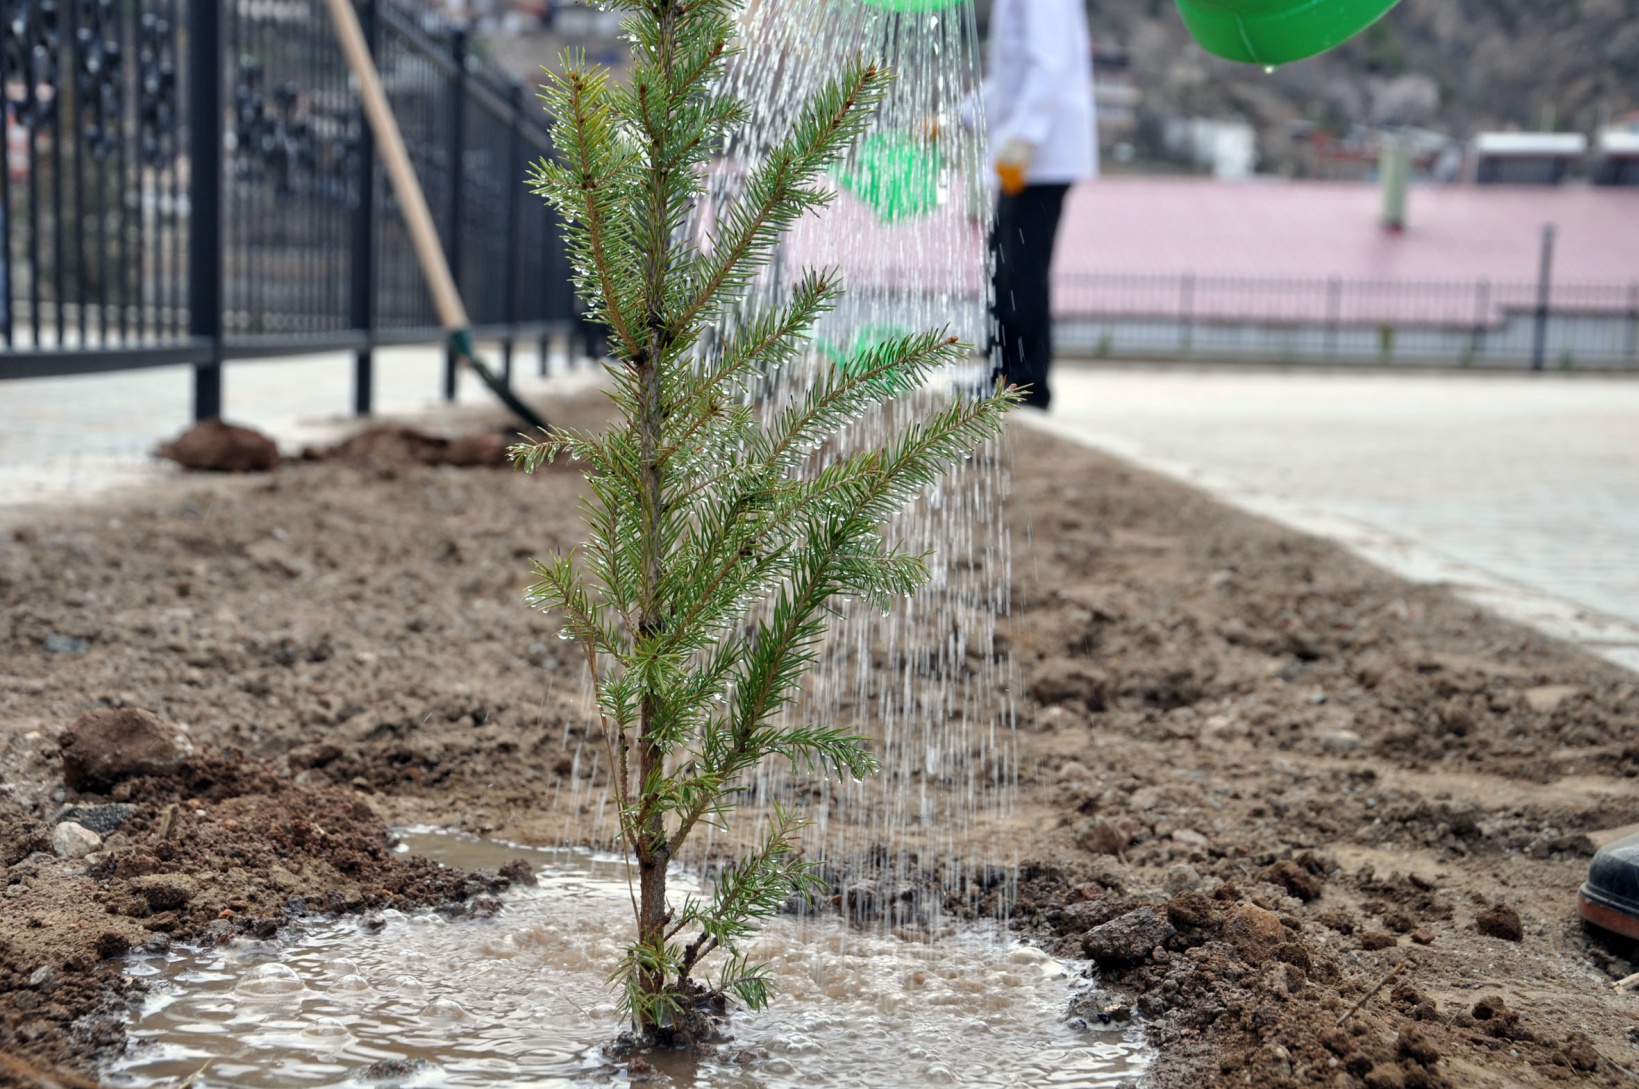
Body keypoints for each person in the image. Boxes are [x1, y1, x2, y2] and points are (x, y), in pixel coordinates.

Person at [982, 0, 1096, 410]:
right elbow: (1008, 81)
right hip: (1029, 156)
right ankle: (1003, 376)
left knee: (1022, 270)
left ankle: (1025, 383)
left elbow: (1049, 66)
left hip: (1042, 156)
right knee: (1004, 266)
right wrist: (955, 118)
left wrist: (1023, 138)